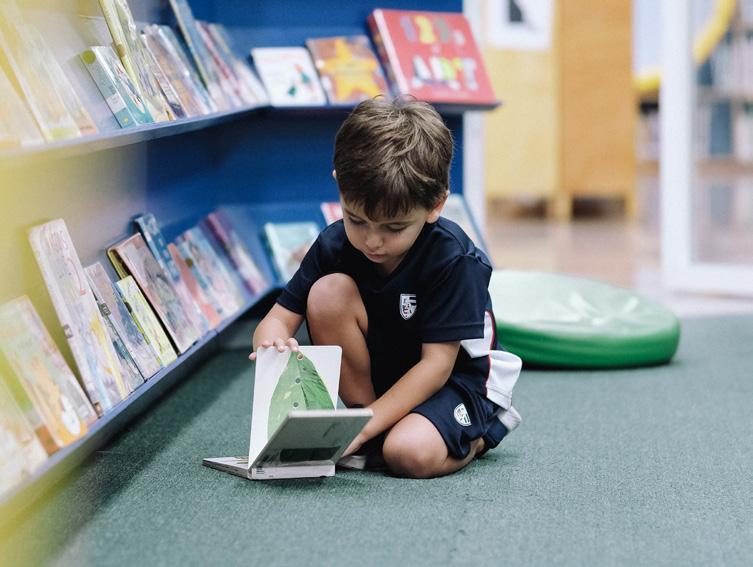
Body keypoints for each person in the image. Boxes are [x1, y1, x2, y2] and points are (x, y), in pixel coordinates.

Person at [249, 97, 522, 478]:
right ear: (339, 186)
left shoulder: (452, 258)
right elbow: (276, 320)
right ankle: (372, 423)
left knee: (407, 453)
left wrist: (361, 428)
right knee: (326, 293)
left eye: (394, 228)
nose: (372, 241)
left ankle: (477, 436)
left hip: (459, 381)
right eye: (356, 219)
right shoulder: (332, 245)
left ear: (436, 205)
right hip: (387, 380)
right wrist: (271, 345)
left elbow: (436, 367)